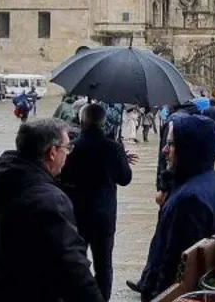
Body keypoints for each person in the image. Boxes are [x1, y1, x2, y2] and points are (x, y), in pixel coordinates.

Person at [0, 119, 105, 302]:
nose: (67, 155)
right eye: (66, 148)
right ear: (52, 152)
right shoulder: (50, 199)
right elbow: (72, 267)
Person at [136, 114, 215, 302]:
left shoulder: (189, 200)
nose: (164, 150)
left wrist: (156, 296)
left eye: (171, 144)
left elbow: (174, 267)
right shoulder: (210, 183)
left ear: (188, 149)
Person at [59, 104, 136, 300]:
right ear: (103, 123)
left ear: (82, 121)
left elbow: (61, 177)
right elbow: (125, 179)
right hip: (104, 215)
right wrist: (121, 156)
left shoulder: (71, 148)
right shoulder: (114, 148)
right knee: (104, 264)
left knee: (76, 261)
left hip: (76, 213)